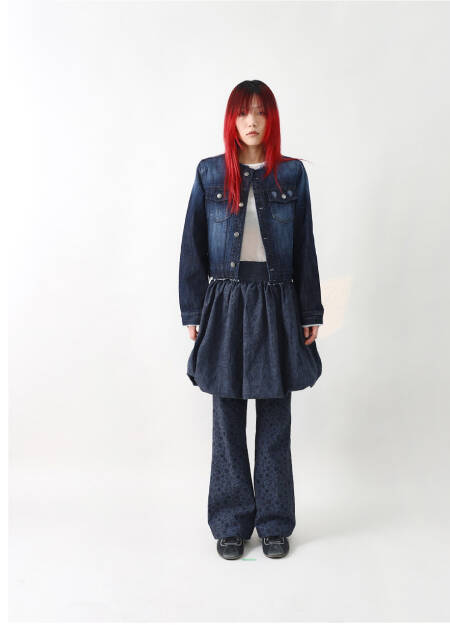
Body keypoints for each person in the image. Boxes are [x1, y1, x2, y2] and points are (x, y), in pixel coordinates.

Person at [178, 79, 324, 560]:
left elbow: (304, 246)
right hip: (225, 303)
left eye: (261, 112)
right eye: (244, 112)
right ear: (232, 120)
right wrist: (193, 311)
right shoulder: (210, 174)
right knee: (227, 417)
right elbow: (193, 246)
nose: (253, 121)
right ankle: (231, 524)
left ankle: (275, 523)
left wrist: (310, 310)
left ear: (271, 118)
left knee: (275, 417)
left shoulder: (292, 175)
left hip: (278, 302)